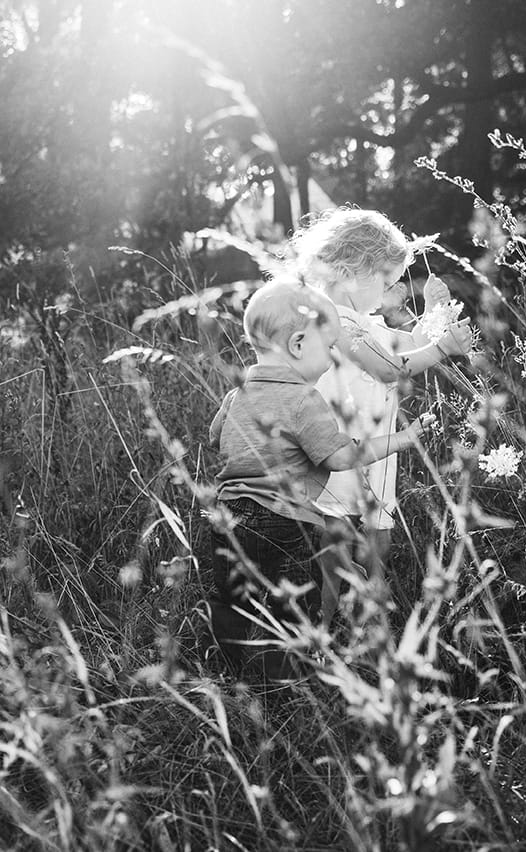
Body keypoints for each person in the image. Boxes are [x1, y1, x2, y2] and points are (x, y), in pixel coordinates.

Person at [203, 277, 433, 677]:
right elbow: (341, 457)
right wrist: (400, 440)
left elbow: (214, 435)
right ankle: (284, 684)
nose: (330, 357)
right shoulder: (305, 398)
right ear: (297, 345)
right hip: (283, 520)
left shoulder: (237, 392)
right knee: (293, 606)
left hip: (227, 515)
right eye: (327, 347)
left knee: (233, 599)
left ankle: (233, 667)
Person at [290, 207, 473, 574]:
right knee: (334, 532)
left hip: (375, 444)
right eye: (386, 281)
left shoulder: (364, 322)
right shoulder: (334, 321)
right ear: (348, 272)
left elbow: (410, 345)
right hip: (339, 446)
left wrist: (434, 311)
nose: (393, 291)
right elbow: (389, 368)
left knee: (378, 528)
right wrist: (443, 349)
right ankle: (329, 615)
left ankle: (370, 610)